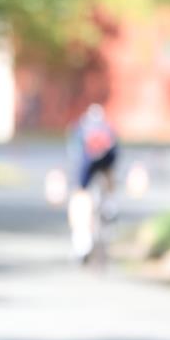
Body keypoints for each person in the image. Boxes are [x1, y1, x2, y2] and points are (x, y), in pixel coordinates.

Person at [67, 103, 118, 262]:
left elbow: (74, 154)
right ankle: (110, 203)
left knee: (80, 195)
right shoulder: (107, 128)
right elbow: (114, 154)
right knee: (108, 173)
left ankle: (81, 240)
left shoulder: (80, 129)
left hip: (86, 161)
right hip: (107, 160)